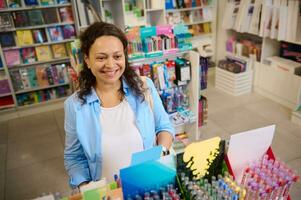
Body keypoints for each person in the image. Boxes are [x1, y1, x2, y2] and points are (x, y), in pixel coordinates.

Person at [64, 22, 175, 188]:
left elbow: (164, 127)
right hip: (107, 192)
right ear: (87, 60)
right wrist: (87, 188)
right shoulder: (75, 105)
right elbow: (74, 158)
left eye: (117, 56)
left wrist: (162, 154)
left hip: (149, 183)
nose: (110, 65)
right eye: (101, 58)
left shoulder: (144, 87)